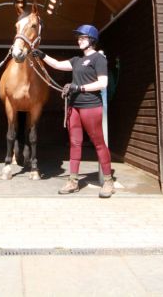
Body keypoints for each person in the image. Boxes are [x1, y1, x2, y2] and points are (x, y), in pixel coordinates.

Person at [33, 24, 115, 198]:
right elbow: (56, 64)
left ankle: (108, 181)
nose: (79, 40)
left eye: (82, 37)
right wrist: (42, 55)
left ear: (91, 40)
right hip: (74, 108)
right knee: (75, 144)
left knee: (99, 143)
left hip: (91, 106)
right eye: (78, 38)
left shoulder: (98, 59)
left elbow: (103, 83)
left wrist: (80, 87)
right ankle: (73, 181)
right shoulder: (76, 60)